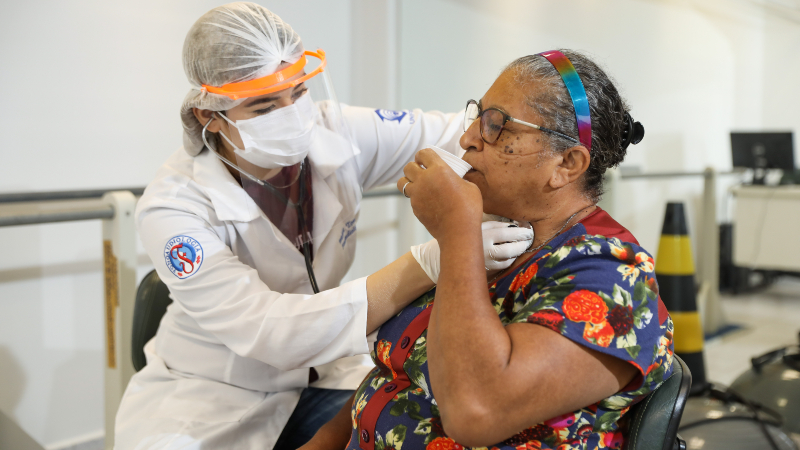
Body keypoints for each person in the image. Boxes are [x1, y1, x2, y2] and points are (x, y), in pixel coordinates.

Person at [114, 3, 533, 449]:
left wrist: (528, 141)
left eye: (297, 92)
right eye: (263, 107)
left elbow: (459, 135)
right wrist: (439, 254)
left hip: (326, 376)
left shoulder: (336, 129)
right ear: (208, 115)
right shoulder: (174, 207)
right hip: (214, 394)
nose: (292, 115)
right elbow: (271, 331)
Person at [302, 50, 674, 450]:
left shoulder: (612, 277)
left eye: (496, 125)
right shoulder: (505, 240)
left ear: (566, 163)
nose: (467, 139)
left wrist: (456, 231)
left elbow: (475, 412)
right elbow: (395, 374)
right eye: (477, 117)